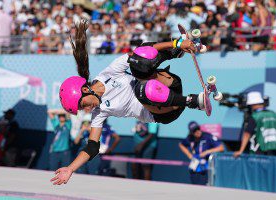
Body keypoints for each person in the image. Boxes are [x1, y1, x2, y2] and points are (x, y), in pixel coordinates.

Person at [51, 20, 206, 185]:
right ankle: (193, 101)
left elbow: (145, 51)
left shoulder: (110, 72)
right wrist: (70, 169)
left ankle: (177, 50)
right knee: (142, 90)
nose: (87, 109)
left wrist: (177, 43)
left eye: (83, 105)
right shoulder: (99, 113)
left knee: (138, 58)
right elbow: (92, 147)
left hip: (168, 85)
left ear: (84, 90)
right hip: (164, 111)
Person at [234, 92, 276, 157]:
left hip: (259, 151)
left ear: (252, 104)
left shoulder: (255, 116)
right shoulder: (274, 114)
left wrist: (240, 151)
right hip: (275, 150)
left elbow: (247, 134)